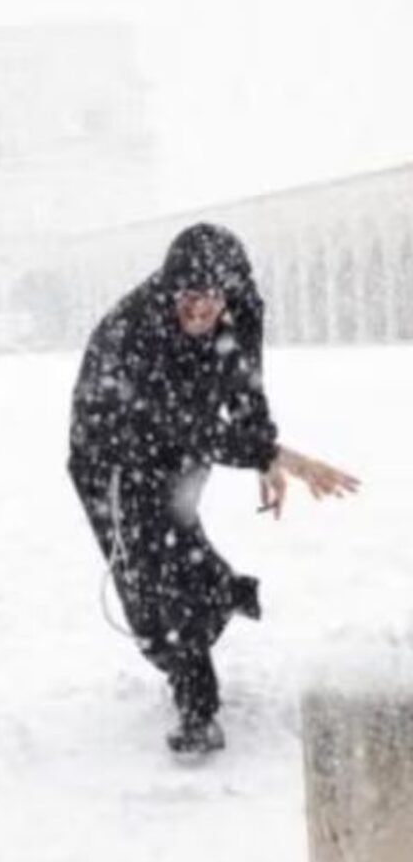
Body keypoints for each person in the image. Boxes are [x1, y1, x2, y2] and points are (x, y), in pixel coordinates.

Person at [68, 222, 359, 756]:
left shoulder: (239, 306)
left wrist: (263, 451)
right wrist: (277, 455)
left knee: (167, 565)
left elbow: (245, 385)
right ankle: (219, 593)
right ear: (172, 290)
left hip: (181, 443)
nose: (202, 309)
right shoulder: (135, 330)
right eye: (190, 297)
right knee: (149, 617)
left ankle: (198, 710)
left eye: (213, 297)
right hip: (109, 454)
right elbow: (178, 423)